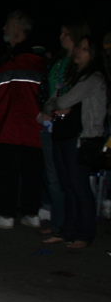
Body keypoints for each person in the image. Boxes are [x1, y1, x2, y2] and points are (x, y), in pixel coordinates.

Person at [40, 34, 108, 249]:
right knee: (67, 185)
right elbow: (50, 102)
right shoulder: (72, 76)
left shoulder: (93, 77)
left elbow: (62, 100)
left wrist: (57, 105)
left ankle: (84, 234)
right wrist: (56, 106)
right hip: (63, 135)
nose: (79, 51)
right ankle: (67, 231)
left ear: (94, 54)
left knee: (79, 187)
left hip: (80, 138)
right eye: (78, 47)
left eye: (85, 49)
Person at [0, 11, 46, 229]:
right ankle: (32, 213)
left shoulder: (10, 65)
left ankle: (7, 215)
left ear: (18, 30)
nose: (3, 29)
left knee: (7, 174)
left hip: (10, 128)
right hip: (35, 130)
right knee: (33, 175)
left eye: (7, 25)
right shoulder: (41, 64)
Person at [38, 22, 85, 236]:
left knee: (68, 178)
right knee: (53, 175)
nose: (61, 37)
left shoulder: (79, 66)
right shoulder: (58, 61)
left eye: (66, 33)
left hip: (69, 125)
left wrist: (54, 107)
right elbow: (47, 89)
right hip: (51, 122)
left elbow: (71, 97)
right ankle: (59, 222)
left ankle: (68, 224)